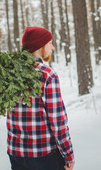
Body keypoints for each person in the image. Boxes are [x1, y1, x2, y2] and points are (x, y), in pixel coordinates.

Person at [7, 26, 75, 170]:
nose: (53, 48)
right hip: (43, 156)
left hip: (16, 153)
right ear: (40, 46)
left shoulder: (9, 72)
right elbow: (58, 121)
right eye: (50, 43)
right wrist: (68, 155)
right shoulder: (47, 75)